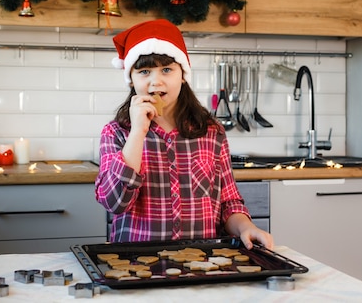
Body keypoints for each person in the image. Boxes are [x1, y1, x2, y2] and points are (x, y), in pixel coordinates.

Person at [95, 19, 273, 250]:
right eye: (144, 71)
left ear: (182, 75)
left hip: (202, 262)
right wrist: (138, 132)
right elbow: (114, 202)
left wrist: (246, 228)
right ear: (132, 80)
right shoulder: (116, 133)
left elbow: (228, 202)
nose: (155, 80)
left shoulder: (211, 132)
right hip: (135, 263)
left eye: (167, 70)